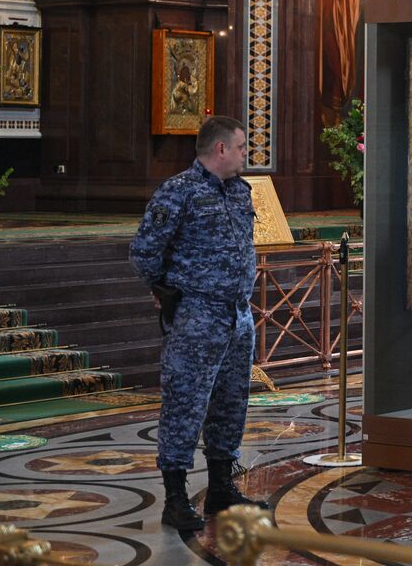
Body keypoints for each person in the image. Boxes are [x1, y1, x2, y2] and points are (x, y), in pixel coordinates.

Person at [128, 117, 268, 532]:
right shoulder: (178, 192)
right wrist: (166, 291)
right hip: (197, 317)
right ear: (220, 150)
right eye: (242, 147)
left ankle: (221, 487)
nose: (246, 154)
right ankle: (175, 499)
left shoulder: (241, 192)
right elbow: (143, 252)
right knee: (185, 407)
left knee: (231, 404)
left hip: (237, 315)